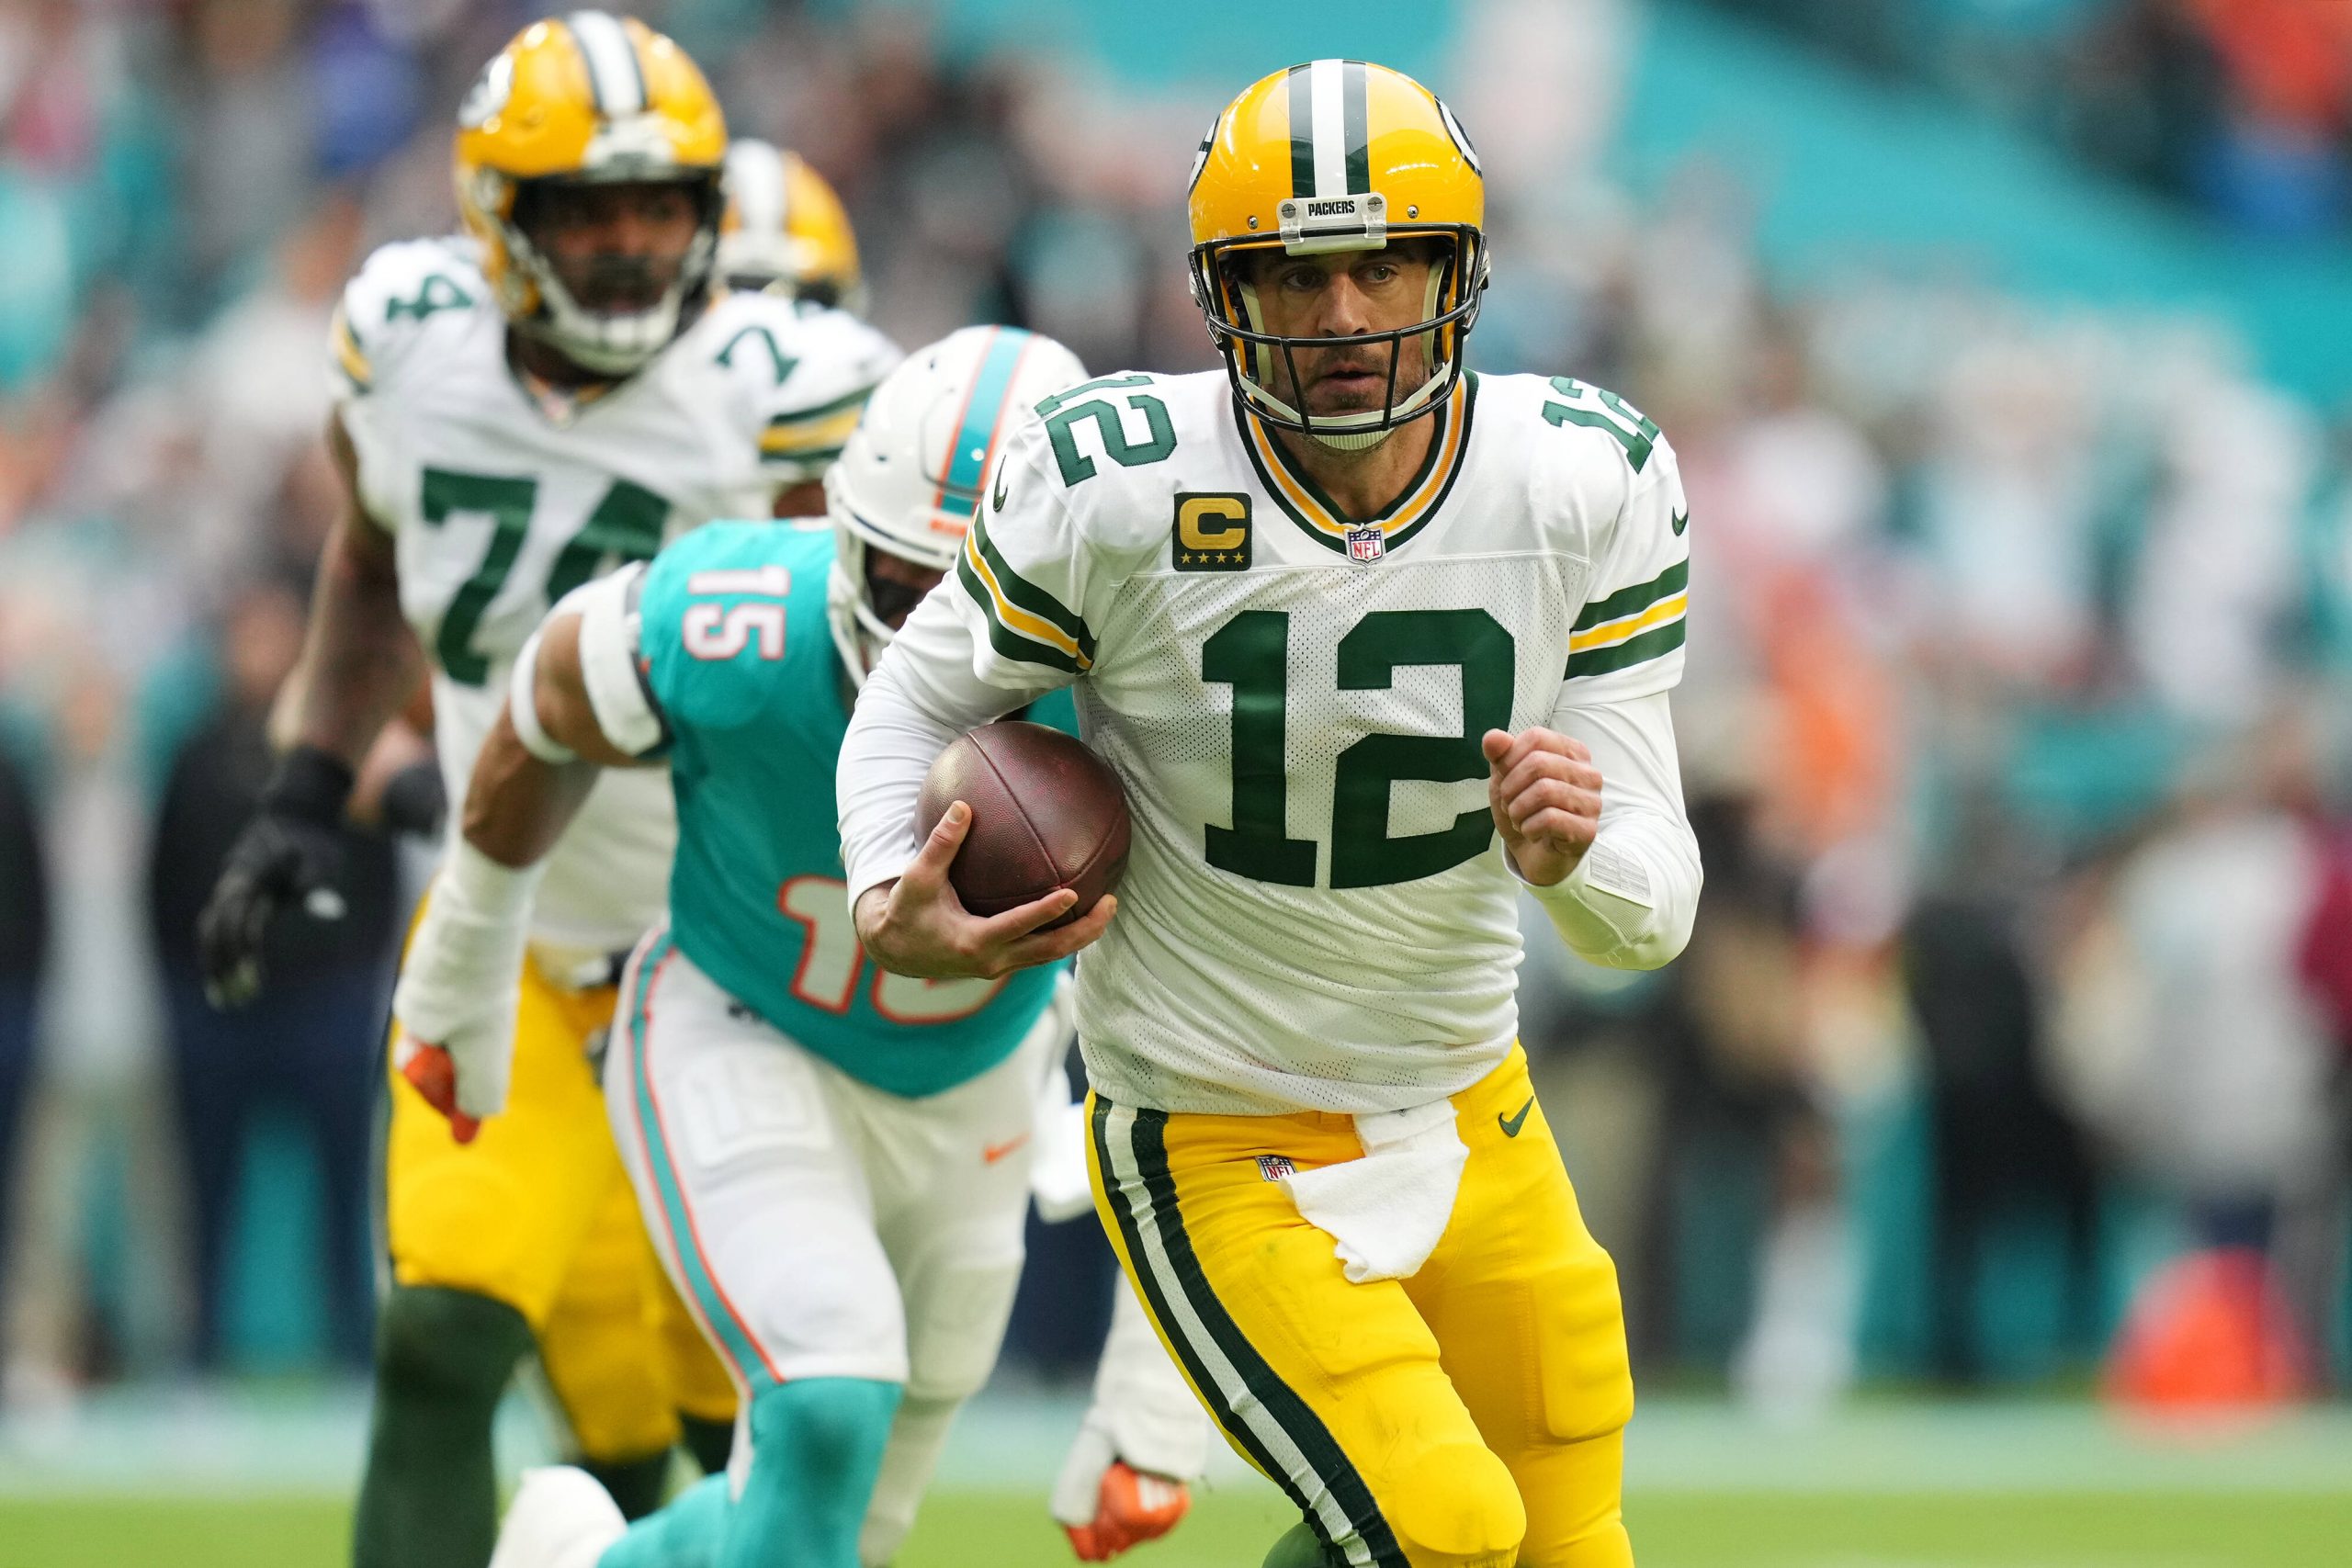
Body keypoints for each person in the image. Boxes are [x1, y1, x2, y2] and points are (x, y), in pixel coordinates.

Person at [838, 62, 1702, 1568]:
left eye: (1386, 263)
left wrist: (1574, 861)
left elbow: (1652, 906)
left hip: (1469, 1099)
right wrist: (880, 894)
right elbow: (911, 704)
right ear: (1222, 293)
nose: (1348, 316)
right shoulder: (1111, 484)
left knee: (1571, 1544)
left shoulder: (1583, 480)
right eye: (1296, 275)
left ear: (1459, 270)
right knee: (1443, 1530)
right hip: (1215, 1131)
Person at [190, 16, 900, 1567]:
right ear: (503, 218)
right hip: (509, 948)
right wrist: (308, 788)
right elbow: (374, 563)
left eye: (662, 206)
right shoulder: (406, 343)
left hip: (729, 964)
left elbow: (900, 656)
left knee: (746, 1425)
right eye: (594, 209)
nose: (637, 244)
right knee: (440, 1342)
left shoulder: (788, 391)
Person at [394, 327, 1205, 1568]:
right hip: (745, 1023)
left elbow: (1213, 1045)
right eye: (903, 584)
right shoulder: (736, 627)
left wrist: (1154, 1405)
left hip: (976, 1086)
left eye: (982, 596)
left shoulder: (1159, 704)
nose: (936, 635)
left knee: (832, 1528)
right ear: (841, 538)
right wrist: (464, 967)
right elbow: (547, 698)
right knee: (827, 1398)